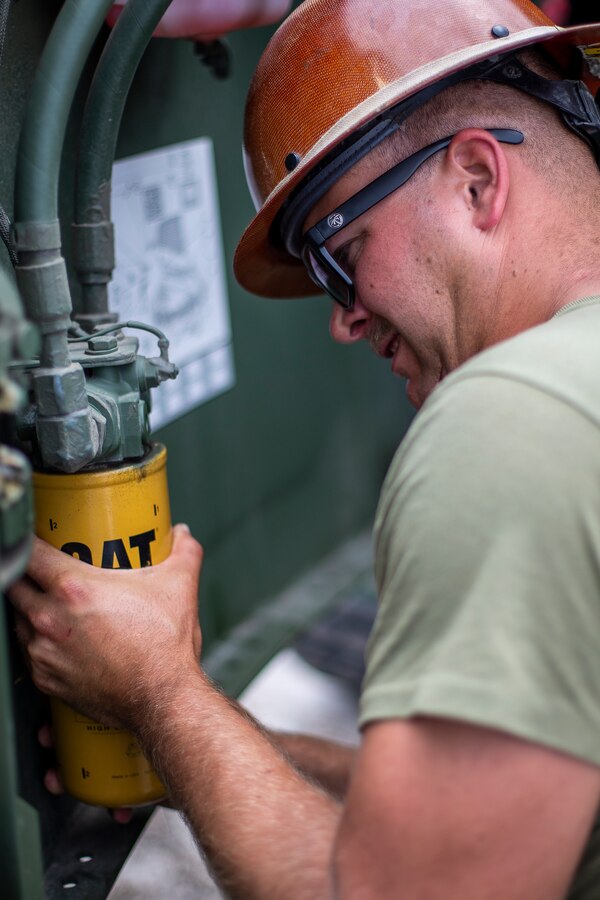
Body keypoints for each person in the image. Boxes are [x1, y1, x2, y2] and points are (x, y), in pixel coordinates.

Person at [9, 0, 600, 896]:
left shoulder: (509, 420)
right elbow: (485, 822)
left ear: (478, 180)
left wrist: (162, 691)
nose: (344, 319)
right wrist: (203, 749)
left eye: (340, 251)